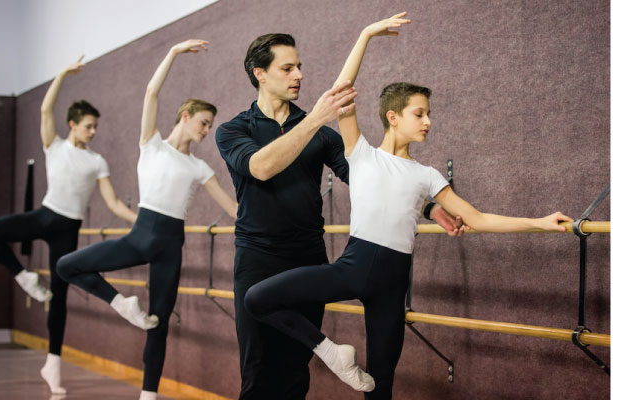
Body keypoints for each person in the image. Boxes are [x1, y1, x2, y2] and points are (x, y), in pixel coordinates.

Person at [243, 12, 573, 399]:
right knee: (256, 298)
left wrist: (541, 222)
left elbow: (478, 218)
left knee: (381, 387)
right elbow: (342, 89)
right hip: (353, 268)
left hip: (392, 287)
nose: (428, 121)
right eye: (420, 113)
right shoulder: (361, 154)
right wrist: (366, 34)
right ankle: (330, 352)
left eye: (429, 114)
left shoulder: (428, 175)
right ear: (393, 117)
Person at [215, 32, 466, 400]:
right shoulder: (234, 130)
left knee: (295, 372)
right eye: (287, 68)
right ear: (260, 73)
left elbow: (369, 180)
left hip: (307, 256)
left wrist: (431, 208)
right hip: (257, 258)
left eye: (299, 66)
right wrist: (316, 118)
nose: (298, 74)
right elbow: (262, 166)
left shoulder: (323, 136)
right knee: (257, 372)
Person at [57, 39, 237, 400]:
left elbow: (231, 207)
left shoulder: (199, 167)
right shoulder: (151, 145)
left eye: (209, 126)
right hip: (140, 236)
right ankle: (121, 304)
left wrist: (262, 222)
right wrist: (172, 52)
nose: (206, 131)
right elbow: (151, 92)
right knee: (66, 266)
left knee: (158, 325)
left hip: (171, 246)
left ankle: (148, 395)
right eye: (203, 123)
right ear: (185, 116)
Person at [0, 56, 138, 395]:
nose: (93, 132)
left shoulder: (97, 160)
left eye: (95, 127)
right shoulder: (55, 146)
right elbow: (46, 111)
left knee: (59, 296)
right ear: (73, 124)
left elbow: (113, 202)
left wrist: (142, 219)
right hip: (44, 216)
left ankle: (53, 364)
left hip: (67, 228)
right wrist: (61, 75)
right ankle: (23, 276)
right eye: (89, 125)